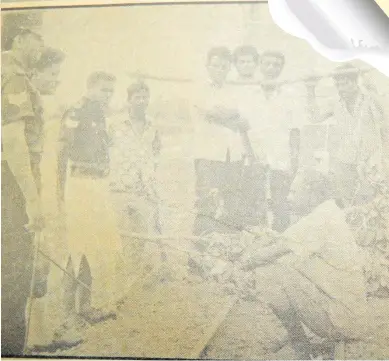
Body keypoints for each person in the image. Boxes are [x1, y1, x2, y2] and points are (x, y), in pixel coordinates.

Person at [239, 199, 372, 359]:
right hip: (352, 318)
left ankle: (300, 345)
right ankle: (298, 337)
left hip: (342, 323)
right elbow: (288, 242)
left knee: (268, 271)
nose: (289, 197)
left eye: (295, 192)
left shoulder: (319, 219)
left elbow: (273, 252)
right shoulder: (328, 211)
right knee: (286, 264)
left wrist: (245, 261)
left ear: (310, 191)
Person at [55, 71, 125, 346]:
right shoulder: (77, 111)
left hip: (99, 184)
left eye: (111, 91)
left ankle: (84, 306)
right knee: (76, 247)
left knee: (93, 246)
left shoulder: (101, 115)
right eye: (103, 91)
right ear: (90, 88)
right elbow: (62, 152)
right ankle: (65, 314)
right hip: (79, 183)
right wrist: (60, 192)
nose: (108, 96)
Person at [306, 63, 387, 207]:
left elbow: (385, 113)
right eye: (338, 85)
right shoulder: (336, 104)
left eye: (345, 84)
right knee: (349, 204)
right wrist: (310, 89)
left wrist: (370, 86)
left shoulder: (368, 100)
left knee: (372, 203)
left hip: (369, 161)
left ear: (355, 82)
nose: (341, 89)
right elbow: (314, 118)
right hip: (345, 160)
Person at [191, 46, 251, 236]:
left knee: (232, 203)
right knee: (206, 202)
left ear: (229, 68)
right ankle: (199, 253)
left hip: (232, 156)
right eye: (215, 65)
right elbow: (212, 112)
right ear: (207, 66)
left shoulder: (234, 90)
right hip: (208, 155)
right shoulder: (198, 88)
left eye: (224, 67)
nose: (219, 70)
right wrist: (231, 114)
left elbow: (244, 121)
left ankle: (226, 250)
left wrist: (225, 115)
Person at [109, 81, 162, 268]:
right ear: (128, 100)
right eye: (137, 97)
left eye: (145, 97)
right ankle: (119, 273)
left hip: (143, 190)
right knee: (120, 234)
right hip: (119, 187)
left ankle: (133, 273)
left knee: (141, 234)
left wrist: (151, 180)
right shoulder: (114, 125)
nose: (142, 101)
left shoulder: (153, 126)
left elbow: (156, 152)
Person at [249, 50, 303, 232]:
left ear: (281, 68)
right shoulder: (251, 93)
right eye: (267, 63)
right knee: (256, 198)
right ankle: (258, 237)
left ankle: (281, 239)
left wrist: (294, 159)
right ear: (260, 65)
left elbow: (295, 129)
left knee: (280, 200)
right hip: (255, 154)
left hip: (280, 155)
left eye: (276, 64)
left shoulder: (289, 94)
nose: (271, 68)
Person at [2, 27, 44, 230]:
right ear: (18, 40)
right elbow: (13, 141)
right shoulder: (14, 73)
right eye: (38, 39)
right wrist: (33, 201)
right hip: (12, 178)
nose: (42, 47)